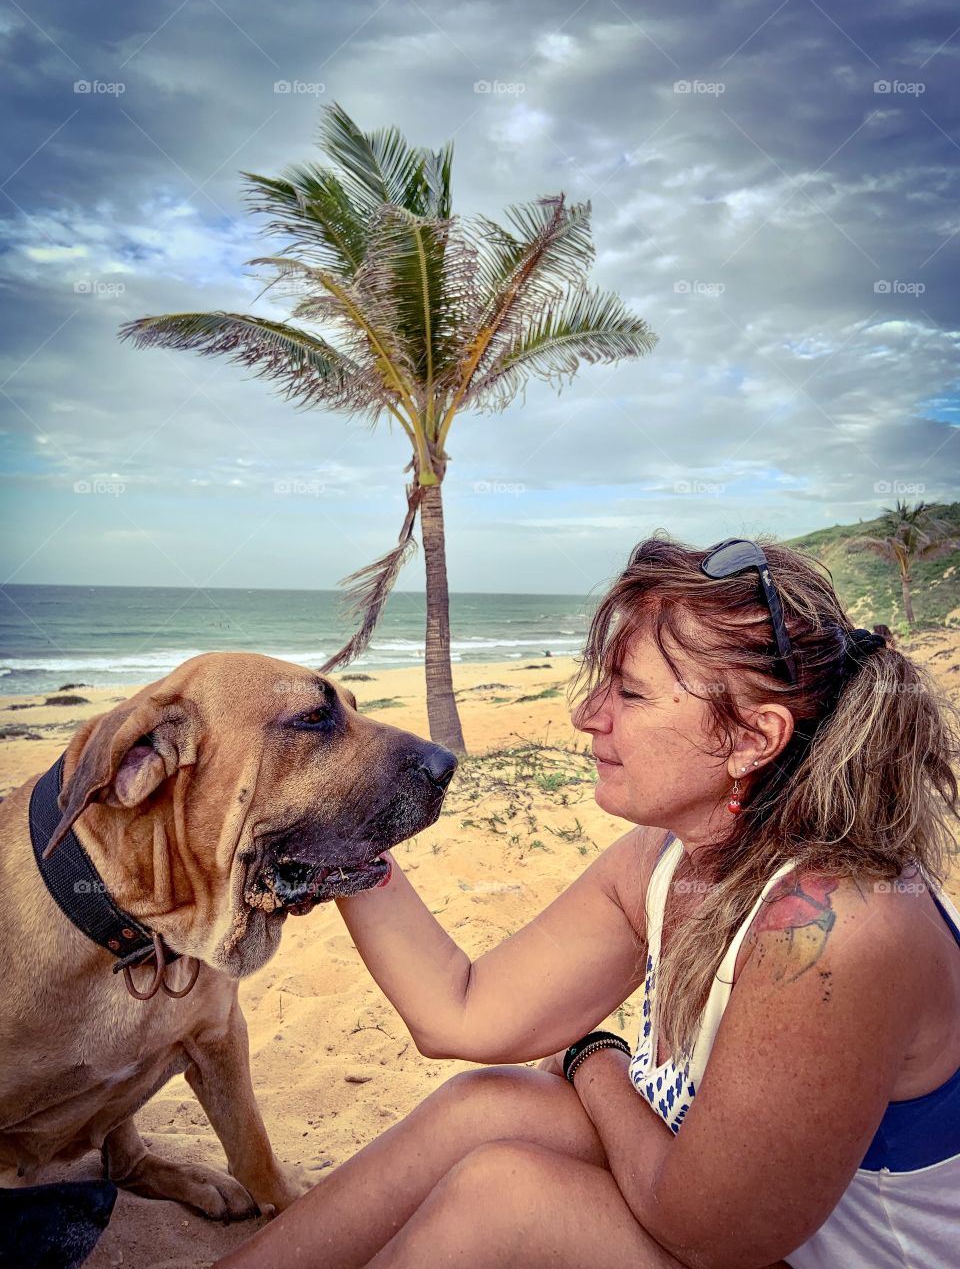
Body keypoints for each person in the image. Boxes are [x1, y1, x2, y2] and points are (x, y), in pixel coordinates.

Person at [214, 532, 960, 1269]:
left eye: (630, 693)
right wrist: (345, 826)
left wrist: (594, 1056)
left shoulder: (839, 925)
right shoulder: (669, 861)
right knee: (489, 1107)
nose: (587, 715)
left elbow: (706, 1232)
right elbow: (459, 1007)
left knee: (506, 1196)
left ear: (752, 739)